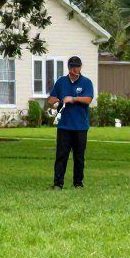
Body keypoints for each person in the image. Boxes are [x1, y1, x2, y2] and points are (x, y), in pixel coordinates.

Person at [47, 55, 94, 189]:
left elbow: (88, 99)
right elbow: (51, 98)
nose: (76, 69)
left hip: (80, 126)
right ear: (69, 68)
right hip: (64, 126)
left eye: (78, 67)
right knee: (61, 156)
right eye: (74, 67)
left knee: (79, 157)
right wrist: (55, 102)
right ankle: (58, 183)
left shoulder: (86, 82)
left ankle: (78, 183)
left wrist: (73, 99)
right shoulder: (61, 82)